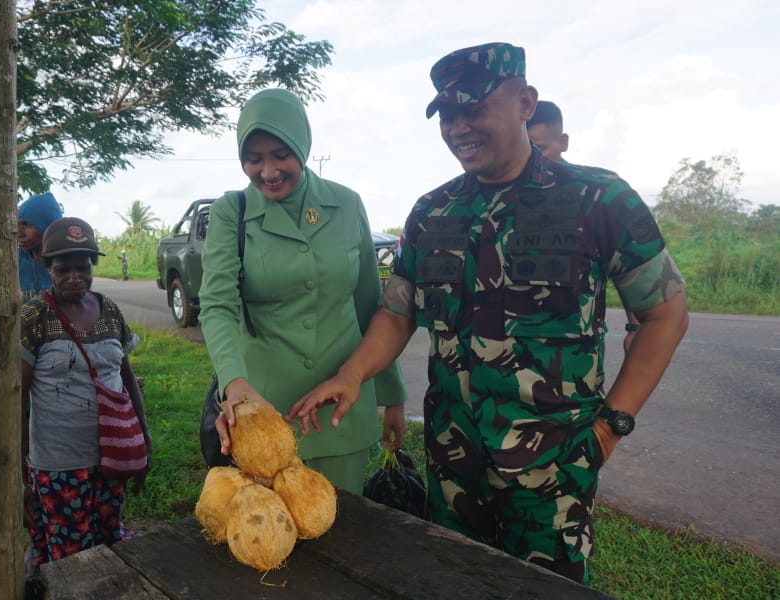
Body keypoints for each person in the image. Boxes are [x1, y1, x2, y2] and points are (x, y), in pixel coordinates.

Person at [289, 43, 689, 583]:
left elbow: (666, 315)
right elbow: (398, 312)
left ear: (526, 102)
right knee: (456, 584)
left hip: (554, 469)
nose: (459, 127)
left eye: (473, 108)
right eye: (447, 115)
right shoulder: (433, 212)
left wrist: (611, 426)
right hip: (454, 464)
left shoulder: (598, 200)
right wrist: (352, 373)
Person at [199, 88, 407, 493]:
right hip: (264, 413)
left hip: (341, 411)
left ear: (303, 146)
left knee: (342, 533)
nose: (268, 171)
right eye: (254, 158)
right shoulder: (232, 212)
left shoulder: (346, 205)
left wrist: (393, 397)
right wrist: (234, 384)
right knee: (266, 539)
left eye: (281, 154)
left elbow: (370, 306)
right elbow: (217, 305)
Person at [19, 217, 150, 569]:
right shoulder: (34, 317)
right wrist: (21, 477)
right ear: (46, 267)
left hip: (112, 455)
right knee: (70, 556)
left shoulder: (108, 310)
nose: (75, 277)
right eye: (63, 269)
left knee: (109, 539)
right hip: (59, 466)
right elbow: (18, 402)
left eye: (83, 267)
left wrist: (144, 441)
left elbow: (126, 376)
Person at [527, 100, 640, 351]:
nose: (530, 160)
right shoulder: (501, 194)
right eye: (522, 149)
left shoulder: (593, 195)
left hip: (568, 360)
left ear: (563, 142)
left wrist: (635, 327)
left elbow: (631, 267)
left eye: (540, 149)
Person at [17, 192, 63, 300]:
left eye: (27, 224)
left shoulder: (67, 261)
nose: (19, 233)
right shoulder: (15, 262)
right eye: (18, 225)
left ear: (48, 226)